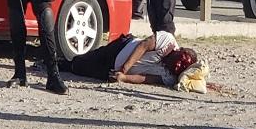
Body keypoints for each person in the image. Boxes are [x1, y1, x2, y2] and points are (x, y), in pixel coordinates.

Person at [59, 31, 196, 87]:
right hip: (120, 48)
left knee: (81, 69)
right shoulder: (168, 41)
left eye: (179, 68)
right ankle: (56, 61)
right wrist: (125, 68)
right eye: (179, 60)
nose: (176, 66)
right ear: (179, 50)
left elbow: (147, 78)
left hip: (113, 70)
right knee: (85, 59)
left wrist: (124, 78)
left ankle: (65, 64)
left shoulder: (171, 78)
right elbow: (143, 46)